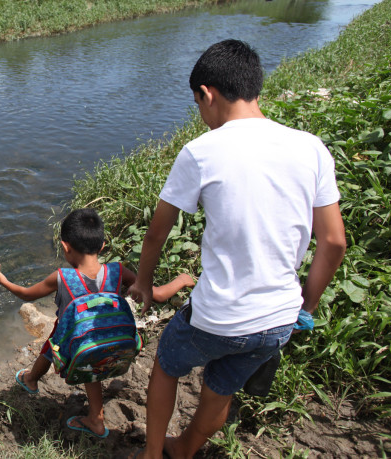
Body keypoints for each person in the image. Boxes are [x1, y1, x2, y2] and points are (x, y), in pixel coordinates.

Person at [128, 39, 346, 459]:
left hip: (219, 316)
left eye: (198, 104)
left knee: (167, 362)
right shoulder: (311, 147)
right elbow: (333, 242)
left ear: (206, 94)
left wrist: (144, 282)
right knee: (221, 386)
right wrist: (307, 307)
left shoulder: (202, 151)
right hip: (279, 319)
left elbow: (156, 234)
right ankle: (186, 449)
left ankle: (154, 453)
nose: (201, 115)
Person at [0, 208, 195, 438]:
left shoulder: (62, 278)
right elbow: (155, 294)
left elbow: (26, 295)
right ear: (103, 245)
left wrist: (2, 280)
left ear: (65, 247)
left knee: (56, 345)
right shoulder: (118, 271)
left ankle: (47, 389)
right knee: (73, 351)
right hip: (111, 339)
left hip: (76, 341)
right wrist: (181, 281)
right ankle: (35, 380)